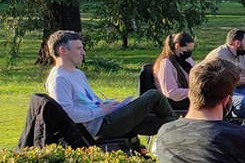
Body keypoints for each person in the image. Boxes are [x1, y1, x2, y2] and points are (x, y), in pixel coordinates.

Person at [45, 30, 176, 140]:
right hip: (98, 128)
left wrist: (108, 105)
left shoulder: (77, 73)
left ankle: (181, 127)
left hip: (106, 118)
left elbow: (88, 101)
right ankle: (179, 122)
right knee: (154, 95)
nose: (83, 53)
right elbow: (68, 115)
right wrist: (101, 110)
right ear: (63, 50)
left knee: (169, 123)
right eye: (79, 49)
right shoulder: (59, 79)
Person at [205, 29, 245, 126]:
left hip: (239, 88)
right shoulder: (218, 56)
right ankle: (236, 125)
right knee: (244, 101)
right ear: (237, 43)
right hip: (223, 91)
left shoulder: (241, 54)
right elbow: (214, 81)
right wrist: (235, 81)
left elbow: (244, 72)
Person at [153, 32, 196, 111]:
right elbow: (171, 92)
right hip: (174, 103)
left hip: (187, 98)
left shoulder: (187, 60)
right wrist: (194, 92)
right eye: (188, 50)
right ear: (177, 46)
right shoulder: (165, 64)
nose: (190, 53)